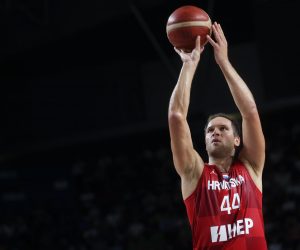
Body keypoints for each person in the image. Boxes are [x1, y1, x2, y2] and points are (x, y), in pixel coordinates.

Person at [168, 21, 268, 249]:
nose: (215, 132)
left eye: (223, 128)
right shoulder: (195, 173)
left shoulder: (250, 167)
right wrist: (189, 66)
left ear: (237, 140)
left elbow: (250, 112)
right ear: (204, 141)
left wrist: (223, 62)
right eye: (210, 130)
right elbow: (176, 116)